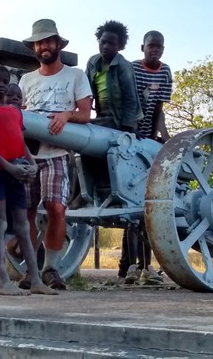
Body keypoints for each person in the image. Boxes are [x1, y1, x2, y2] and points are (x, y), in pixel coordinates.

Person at [18, 19, 93, 290]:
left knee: (56, 208)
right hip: (28, 154)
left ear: (58, 44)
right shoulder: (27, 79)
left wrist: (66, 115)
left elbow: (85, 114)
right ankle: (29, 268)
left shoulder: (75, 75)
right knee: (25, 211)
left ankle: (50, 267)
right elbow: (20, 112)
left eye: (49, 41)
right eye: (39, 42)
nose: (44, 46)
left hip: (58, 152)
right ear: (34, 47)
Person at [0, 65, 57, 295]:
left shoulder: (15, 112)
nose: (1, 85)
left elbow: (20, 141)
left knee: (23, 226)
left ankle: (35, 279)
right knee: (0, 225)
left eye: (5, 81)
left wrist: (32, 163)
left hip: (18, 171)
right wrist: (9, 167)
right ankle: (3, 281)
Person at [84, 20, 143, 285]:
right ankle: (90, 192)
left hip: (120, 121)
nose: (105, 46)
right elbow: (86, 94)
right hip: (100, 118)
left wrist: (127, 132)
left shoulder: (124, 66)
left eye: (111, 42)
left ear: (119, 45)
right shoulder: (93, 63)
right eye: (102, 41)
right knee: (84, 144)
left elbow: (131, 99)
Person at [128, 30, 173, 285]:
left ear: (163, 50)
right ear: (142, 47)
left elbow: (159, 107)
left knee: (144, 208)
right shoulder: (134, 69)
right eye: (150, 46)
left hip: (148, 136)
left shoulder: (165, 72)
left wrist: (162, 135)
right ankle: (131, 267)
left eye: (159, 47)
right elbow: (129, 100)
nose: (154, 50)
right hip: (130, 133)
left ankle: (146, 267)